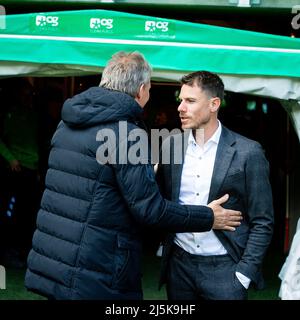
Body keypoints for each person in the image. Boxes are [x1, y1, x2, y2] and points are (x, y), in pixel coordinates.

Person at [24, 52, 242, 300]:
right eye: (150, 88)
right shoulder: (126, 133)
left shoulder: (68, 123)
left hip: (55, 261)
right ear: (140, 90)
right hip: (96, 270)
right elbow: (150, 210)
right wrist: (208, 216)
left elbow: (93, 184)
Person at [156, 71, 274, 300]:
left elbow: (263, 220)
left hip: (226, 270)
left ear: (214, 104)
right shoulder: (170, 146)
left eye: (190, 101)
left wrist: (243, 274)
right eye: (181, 100)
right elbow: (162, 204)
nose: (181, 107)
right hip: (179, 267)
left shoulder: (248, 152)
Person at [0, 78, 41, 267]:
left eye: (30, 93)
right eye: (25, 93)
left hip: (32, 170)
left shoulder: (34, 115)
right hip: (15, 170)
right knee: (11, 214)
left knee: (28, 213)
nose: (28, 97)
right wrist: (10, 158)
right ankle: (8, 252)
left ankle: (25, 252)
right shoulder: (9, 113)